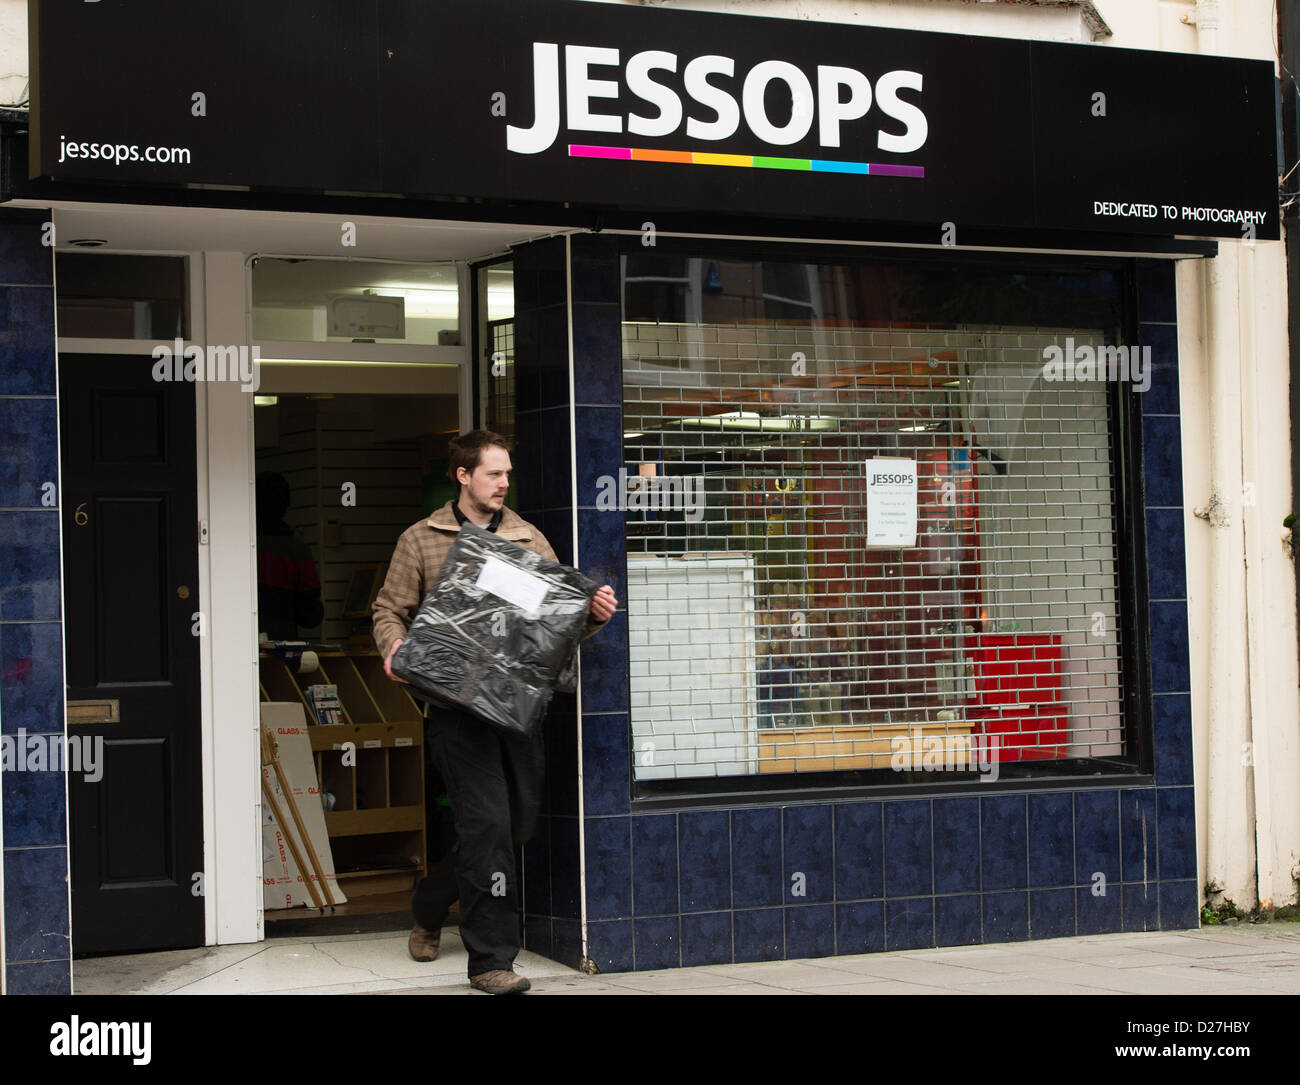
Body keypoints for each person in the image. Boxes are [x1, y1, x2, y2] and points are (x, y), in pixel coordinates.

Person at [371, 429, 617, 995]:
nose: (505, 483)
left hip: (518, 709)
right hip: (456, 711)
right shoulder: (422, 538)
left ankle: (431, 901)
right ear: (463, 476)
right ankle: (489, 961)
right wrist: (394, 648)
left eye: (507, 474)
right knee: (486, 831)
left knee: (516, 828)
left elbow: (559, 622)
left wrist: (594, 611)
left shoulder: (529, 537)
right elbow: (389, 609)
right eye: (494, 474)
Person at [255, 471, 324, 640]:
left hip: (240, 639)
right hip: (283, 643)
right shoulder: (297, 550)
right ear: (286, 507)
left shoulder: (237, 545)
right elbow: (311, 615)